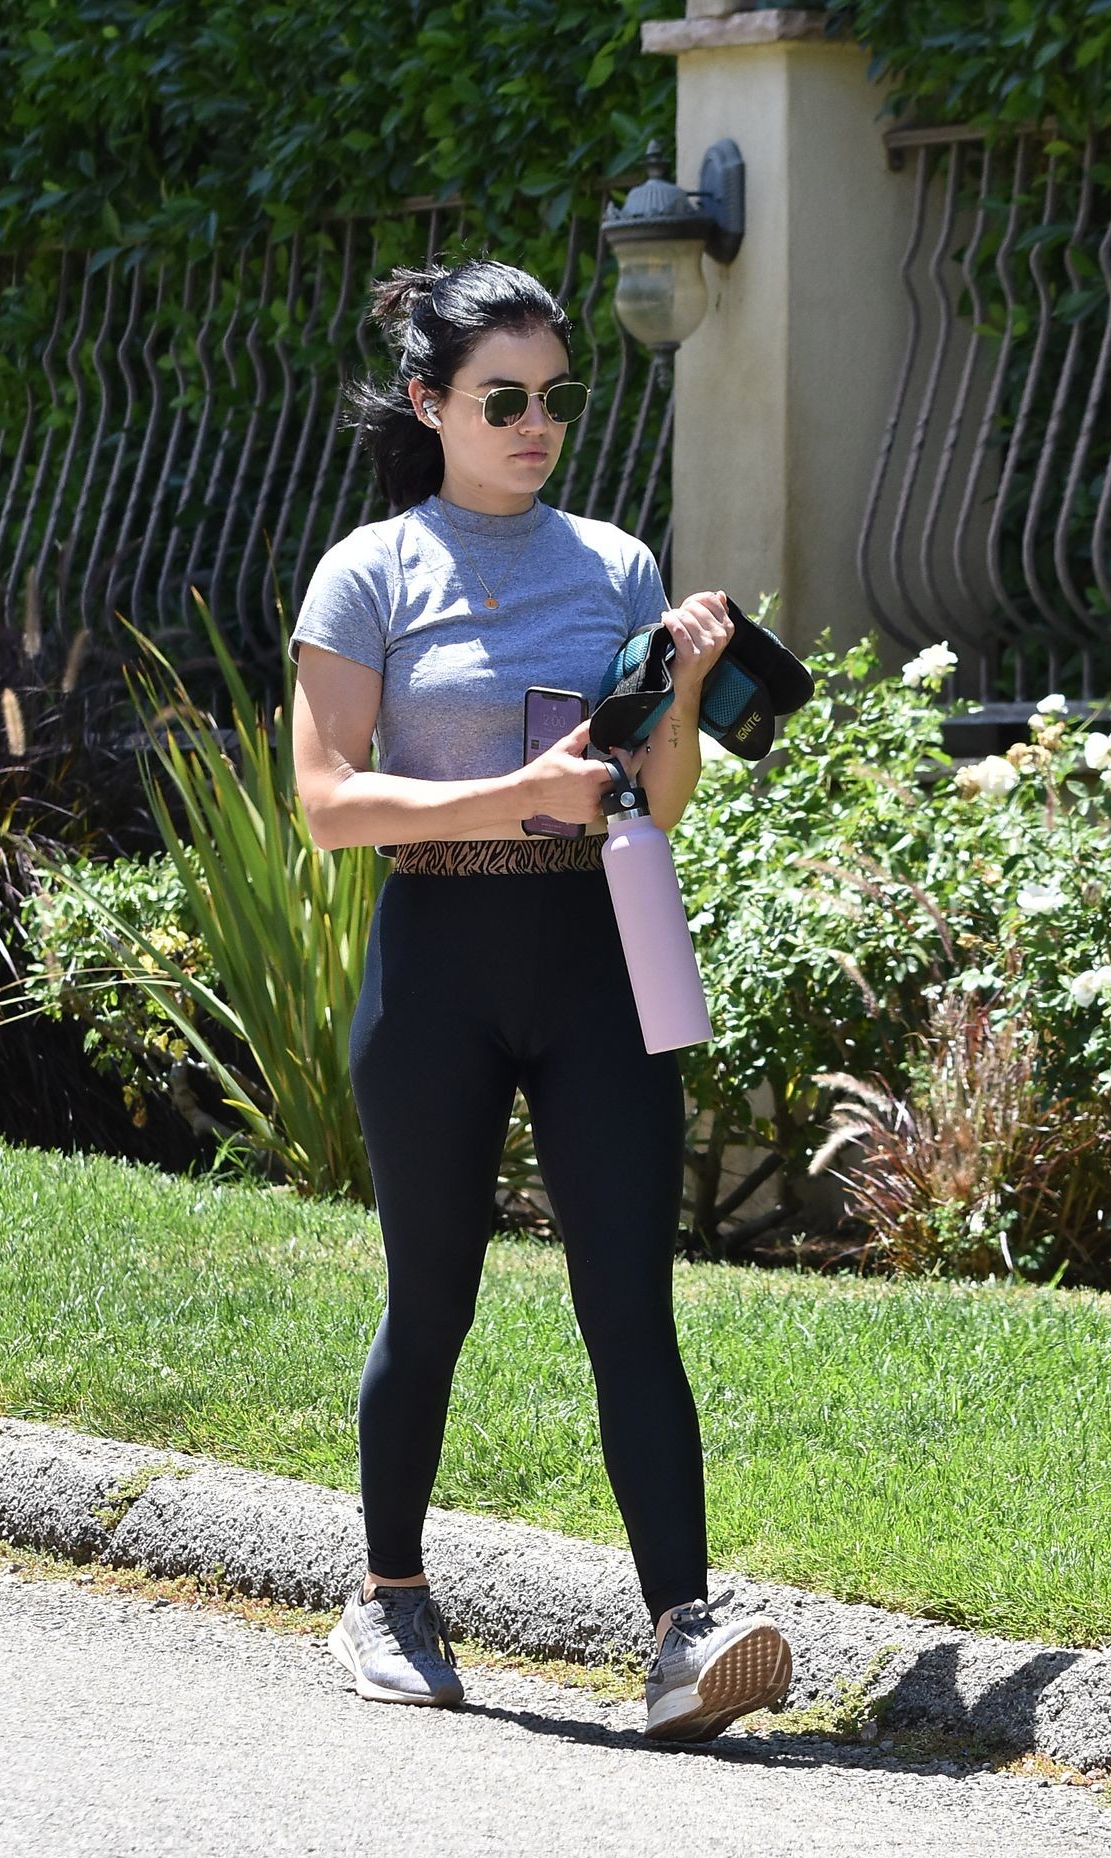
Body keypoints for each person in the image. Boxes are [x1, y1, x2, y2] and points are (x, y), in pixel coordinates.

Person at [287, 256, 793, 1743]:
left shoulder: (617, 566)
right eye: (501, 400)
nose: (535, 427)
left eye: (554, 400)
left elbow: (658, 798)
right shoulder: (370, 572)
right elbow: (326, 804)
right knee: (430, 1296)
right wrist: (515, 791)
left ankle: (683, 1638)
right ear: (430, 403)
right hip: (437, 960)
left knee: (631, 1302)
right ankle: (389, 1597)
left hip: (597, 952)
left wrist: (680, 694)